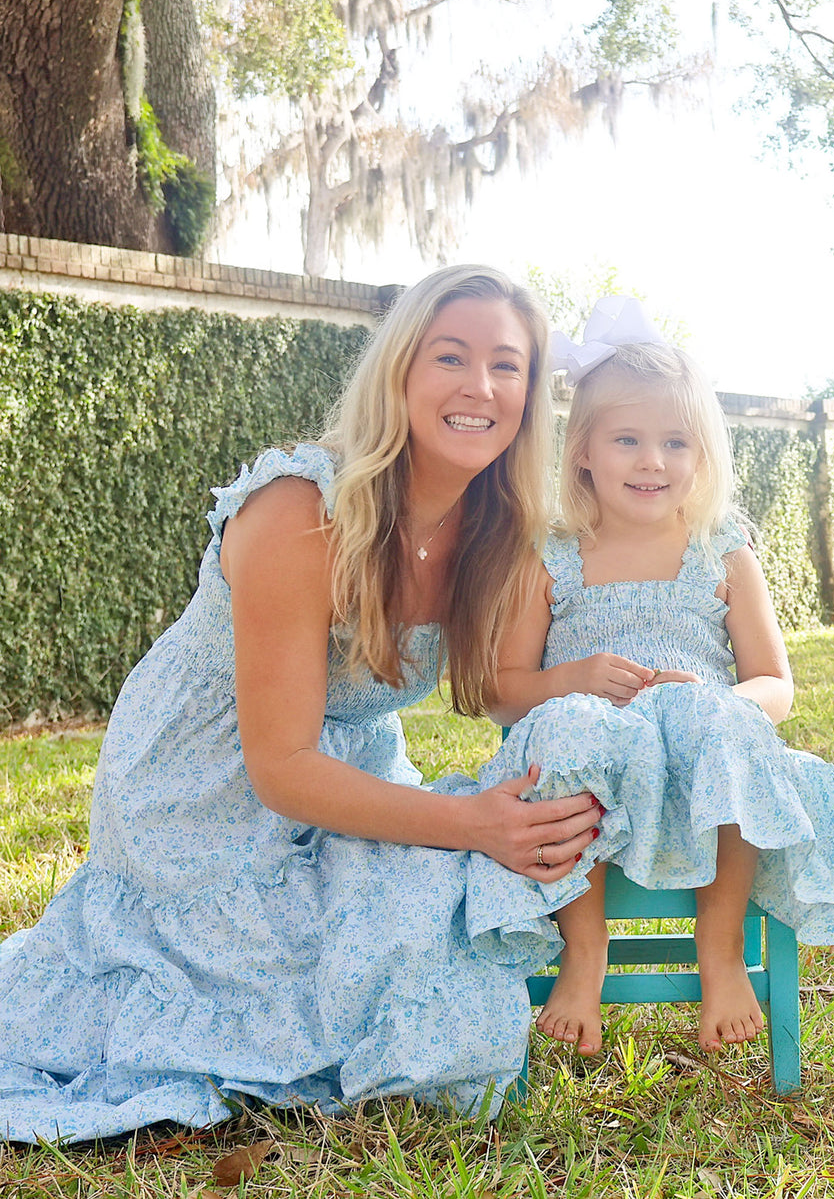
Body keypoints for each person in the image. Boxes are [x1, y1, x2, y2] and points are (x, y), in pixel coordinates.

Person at [0, 265, 604, 1143]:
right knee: (311, 972)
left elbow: (495, 690)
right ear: (399, 370)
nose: (480, 387)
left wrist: (600, 691)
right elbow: (279, 766)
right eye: (450, 357)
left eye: (507, 366)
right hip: (205, 782)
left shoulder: (495, 526)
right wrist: (472, 821)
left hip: (347, 764)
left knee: (423, 912)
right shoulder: (301, 509)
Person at [463, 297, 834, 1059]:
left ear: (703, 455)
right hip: (595, 749)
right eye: (627, 440)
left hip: (695, 747)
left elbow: (774, 684)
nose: (653, 461)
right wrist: (571, 679)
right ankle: (585, 952)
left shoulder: (722, 551)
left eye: (675, 442)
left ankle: (720, 954)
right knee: (565, 731)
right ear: (583, 449)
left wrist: (720, 702)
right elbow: (502, 692)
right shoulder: (550, 556)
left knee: (735, 729)